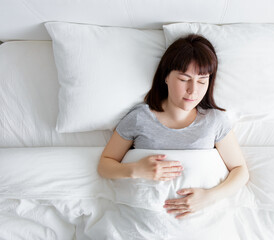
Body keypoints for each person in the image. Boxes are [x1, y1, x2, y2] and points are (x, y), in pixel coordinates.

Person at [97, 34, 249, 219]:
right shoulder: (139, 118)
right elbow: (105, 164)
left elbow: (241, 171)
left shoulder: (215, 121)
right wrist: (135, 169)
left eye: (202, 81)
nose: (193, 90)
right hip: (144, 218)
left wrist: (209, 197)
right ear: (166, 77)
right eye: (184, 79)